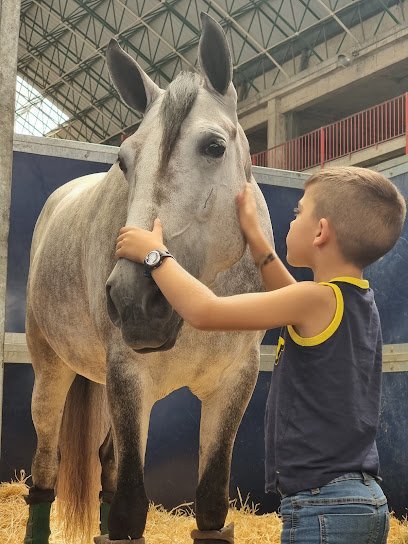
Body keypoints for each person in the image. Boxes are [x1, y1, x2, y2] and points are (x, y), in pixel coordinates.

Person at [115, 166, 406, 544]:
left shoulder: (313, 300)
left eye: (298, 212)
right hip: (360, 502)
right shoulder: (352, 301)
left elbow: (206, 312)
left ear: (321, 232)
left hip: (323, 508)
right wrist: (255, 238)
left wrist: (155, 256)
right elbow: (284, 293)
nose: (291, 220)